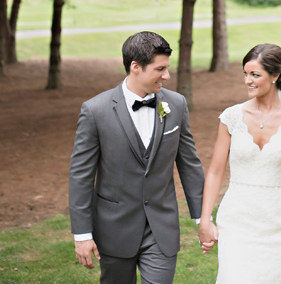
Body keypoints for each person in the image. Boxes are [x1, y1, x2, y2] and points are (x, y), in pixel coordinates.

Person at [69, 31, 205, 284]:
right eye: (160, 69)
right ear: (136, 67)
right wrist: (82, 234)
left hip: (161, 228)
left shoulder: (176, 104)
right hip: (114, 229)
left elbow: (189, 162)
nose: (167, 75)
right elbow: (81, 177)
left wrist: (203, 217)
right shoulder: (95, 111)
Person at [198, 43, 281, 283]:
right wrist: (206, 219)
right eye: (245, 74)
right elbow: (214, 173)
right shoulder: (230, 117)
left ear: (274, 76)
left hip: (278, 222)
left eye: (255, 75)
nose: (247, 81)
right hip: (236, 220)